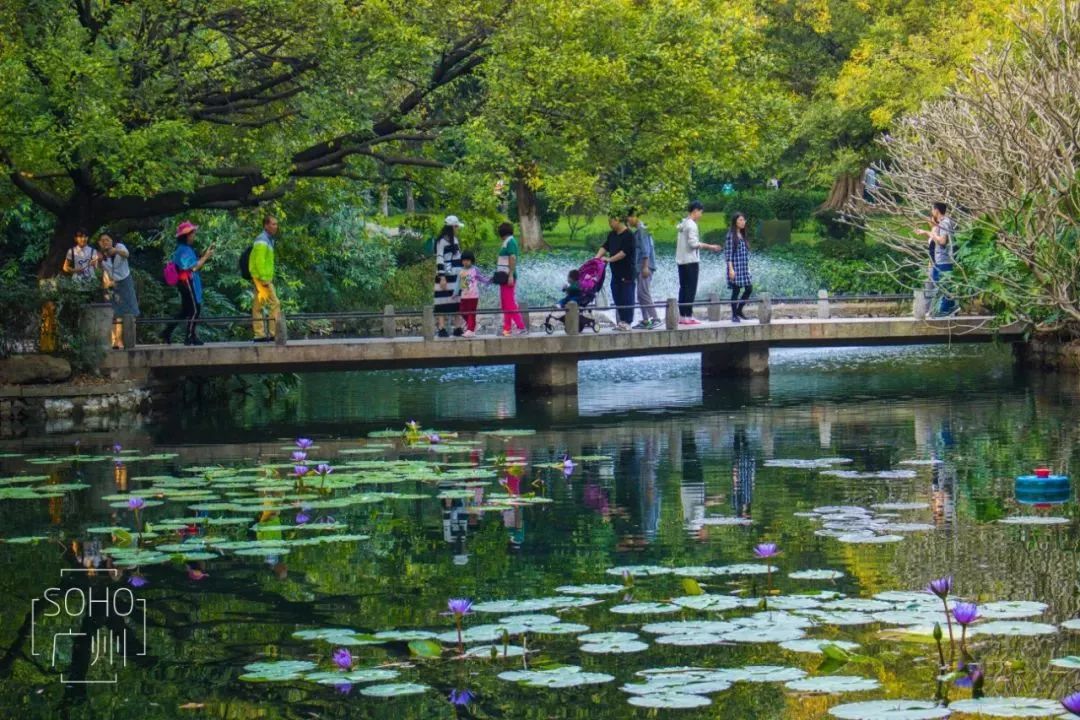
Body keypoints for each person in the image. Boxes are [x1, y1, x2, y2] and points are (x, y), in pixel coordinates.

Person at [162, 221, 213, 346]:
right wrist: (206, 257)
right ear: (187, 236)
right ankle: (189, 337)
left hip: (186, 281)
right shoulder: (183, 250)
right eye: (192, 234)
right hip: (186, 282)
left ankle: (167, 332)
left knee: (186, 311)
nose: (194, 236)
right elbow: (193, 267)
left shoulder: (185, 249)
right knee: (195, 309)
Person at [675, 200, 721, 325]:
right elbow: (693, 244)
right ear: (695, 211)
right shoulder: (692, 225)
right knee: (690, 289)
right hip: (691, 261)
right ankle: (688, 316)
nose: (701, 215)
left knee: (683, 288)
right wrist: (710, 246)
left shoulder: (683, 224)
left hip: (681, 261)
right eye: (700, 212)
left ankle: (682, 316)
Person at [97, 233, 139, 349]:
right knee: (113, 312)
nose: (105, 242)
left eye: (107, 239)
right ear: (100, 243)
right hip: (112, 284)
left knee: (128, 311)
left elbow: (126, 254)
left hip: (125, 281)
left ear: (112, 240)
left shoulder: (119, 247)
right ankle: (115, 341)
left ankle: (127, 340)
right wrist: (99, 261)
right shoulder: (100, 255)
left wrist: (115, 251)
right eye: (102, 240)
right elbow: (100, 268)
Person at [596, 214, 636, 331]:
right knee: (617, 295)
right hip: (615, 272)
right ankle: (621, 321)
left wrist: (609, 259)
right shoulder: (612, 234)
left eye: (611, 221)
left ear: (618, 220)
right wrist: (596, 258)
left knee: (627, 296)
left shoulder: (629, 235)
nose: (609, 223)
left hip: (627, 272)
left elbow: (624, 253)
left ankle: (627, 321)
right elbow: (605, 247)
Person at [916, 202, 957, 316]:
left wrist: (932, 234)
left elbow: (943, 241)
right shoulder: (942, 223)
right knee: (940, 283)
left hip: (944, 259)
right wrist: (929, 231)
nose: (931, 212)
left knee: (943, 284)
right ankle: (948, 307)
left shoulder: (945, 223)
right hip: (940, 260)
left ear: (936, 210)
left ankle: (947, 308)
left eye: (932, 210)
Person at [249, 215, 281, 343]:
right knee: (275, 303)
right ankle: (272, 333)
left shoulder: (268, 239)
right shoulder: (262, 240)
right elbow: (259, 261)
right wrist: (264, 279)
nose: (275, 226)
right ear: (266, 225)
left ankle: (260, 334)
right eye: (273, 224)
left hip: (262, 278)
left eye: (276, 224)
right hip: (261, 279)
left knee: (258, 306)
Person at [627, 208, 660, 329]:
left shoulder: (642, 230)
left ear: (635, 216)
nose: (628, 220)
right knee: (640, 294)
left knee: (643, 292)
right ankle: (646, 320)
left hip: (645, 266)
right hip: (639, 266)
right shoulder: (638, 231)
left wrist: (646, 267)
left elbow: (646, 250)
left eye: (629, 217)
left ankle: (655, 318)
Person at [434, 216, 465, 338]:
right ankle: (441, 328)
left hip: (456, 275)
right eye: (456, 226)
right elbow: (440, 258)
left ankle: (458, 327)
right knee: (442, 302)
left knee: (457, 301)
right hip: (446, 276)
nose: (458, 228)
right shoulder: (441, 241)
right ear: (451, 227)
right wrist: (442, 276)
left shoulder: (455, 240)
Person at [496, 222, 527, 336]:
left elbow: (512, 257)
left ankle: (521, 326)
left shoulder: (511, 241)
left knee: (509, 303)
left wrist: (510, 275)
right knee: (505, 304)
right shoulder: (506, 242)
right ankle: (507, 328)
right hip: (503, 277)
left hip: (508, 277)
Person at [725, 212, 753, 323]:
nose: (743, 222)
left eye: (743, 220)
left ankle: (739, 310)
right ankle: (734, 315)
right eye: (740, 220)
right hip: (735, 267)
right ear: (735, 222)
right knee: (736, 291)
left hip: (744, 268)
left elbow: (745, 253)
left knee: (749, 289)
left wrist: (748, 268)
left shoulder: (742, 234)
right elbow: (728, 254)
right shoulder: (730, 235)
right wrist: (731, 269)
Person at [457, 250, 487, 338]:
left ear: (471, 261)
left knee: (471, 312)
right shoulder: (461, 270)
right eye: (464, 260)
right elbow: (458, 283)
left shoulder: (475, 269)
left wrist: (488, 281)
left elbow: (481, 278)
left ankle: (470, 330)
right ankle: (473, 325)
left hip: (473, 295)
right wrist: (455, 293)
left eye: (467, 260)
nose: (465, 262)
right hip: (464, 295)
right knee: (462, 311)